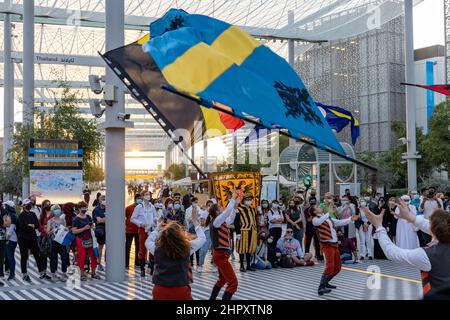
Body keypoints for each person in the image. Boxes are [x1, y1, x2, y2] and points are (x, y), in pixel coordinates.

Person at [362, 201, 450, 300]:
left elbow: (392, 253)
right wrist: (410, 217)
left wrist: (378, 226)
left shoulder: (427, 255)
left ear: (433, 229)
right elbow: (432, 227)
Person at [145, 208, 206, 300]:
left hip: (160, 289)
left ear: (164, 234)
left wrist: (157, 228)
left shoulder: (157, 248)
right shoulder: (187, 247)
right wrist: (195, 221)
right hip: (180, 289)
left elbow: (147, 241)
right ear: (180, 235)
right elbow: (202, 238)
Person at [311, 205, 358, 295]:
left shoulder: (328, 218)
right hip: (327, 245)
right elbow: (319, 222)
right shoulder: (315, 219)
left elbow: (339, 222)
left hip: (335, 245)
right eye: (317, 207)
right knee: (330, 266)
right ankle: (321, 288)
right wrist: (329, 213)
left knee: (337, 267)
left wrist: (350, 219)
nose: (319, 207)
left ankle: (325, 283)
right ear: (314, 212)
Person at [206, 191, 240, 300]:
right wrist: (233, 198)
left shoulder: (221, 222)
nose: (222, 208)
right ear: (216, 212)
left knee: (222, 280)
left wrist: (235, 206)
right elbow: (227, 212)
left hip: (222, 255)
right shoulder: (216, 221)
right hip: (220, 255)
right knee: (233, 283)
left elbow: (230, 218)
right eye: (220, 207)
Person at [17, 199, 47, 283]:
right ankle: (24, 274)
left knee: (37, 254)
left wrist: (31, 225)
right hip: (23, 238)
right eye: (27, 204)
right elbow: (23, 227)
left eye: (30, 204)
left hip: (32, 237)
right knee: (24, 256)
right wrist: (31, 225)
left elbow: (37, 225)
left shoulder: (33, 214)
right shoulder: (21, 215)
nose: (29, 205)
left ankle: (41, 272)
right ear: (23, 206)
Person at [71, 201, 100, 281]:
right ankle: (82, 274)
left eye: (85, 207)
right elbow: (74, 231)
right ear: (79, 208)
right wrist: (84, 228)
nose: (85, 209)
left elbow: (92, 225)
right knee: (82, 257)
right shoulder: (76, 219)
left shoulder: (88, 217)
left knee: (94, 256)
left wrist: (92, 227)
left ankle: (93, 273)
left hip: (90, 239)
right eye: (83, 207)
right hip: (80, 240)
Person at [131, 191, 157, 277]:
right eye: (146, 195)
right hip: (143, 229)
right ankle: (142, 268)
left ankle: (152, 268)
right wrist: (140, 223)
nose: (148, 196)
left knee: (152, 247)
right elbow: (132, 218)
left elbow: (155, 216)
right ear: (142, 196)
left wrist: (156, 220)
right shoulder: (139, 207)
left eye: (149, 194)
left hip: (152, 229)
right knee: (142, 249)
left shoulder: (152, 206)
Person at [234, 193, 258, 272]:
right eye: (247, 200)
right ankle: (241, 266)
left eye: (250, 200)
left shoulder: (252, 209)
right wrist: (237, 233)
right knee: (242, 248)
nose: (249, 201)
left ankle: (248, 265)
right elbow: (236, 222)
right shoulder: (239, 209)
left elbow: (255, 220)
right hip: (243, 231)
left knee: (249, 249)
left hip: (252, 230)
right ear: (243, 201)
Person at [47, 205, 69, 281]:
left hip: (62, 242)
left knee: (64, 257)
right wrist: (53, 230)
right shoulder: (50, 221)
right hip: (53, 242)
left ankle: (64, 272)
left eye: (58, 209)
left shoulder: (63, 220)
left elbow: (65, 230)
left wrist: (66, 229)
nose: (57, 211)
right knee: (53, 258)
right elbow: (47, 233)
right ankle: (53, 273)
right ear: (53, 211)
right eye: (56, 209)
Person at [303, 198, 323, 262]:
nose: (313, 202)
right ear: (309, 202)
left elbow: (320, 218)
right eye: (311, 201)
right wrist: (312, 215)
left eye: (314, 201)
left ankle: (318, 256)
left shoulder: (318, 210)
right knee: (308, 243)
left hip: (316, 228)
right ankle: (306, 256)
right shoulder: (306, 210)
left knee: (317, 243)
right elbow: (308, 220)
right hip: (309, 229)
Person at [125, 194, 141, 269]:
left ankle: (137, 262)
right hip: (129, 231)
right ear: (135, 199)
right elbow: (124, 217)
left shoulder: (142, 208)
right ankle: (126, 263)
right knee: (127, 247)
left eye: (140, 198)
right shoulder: (129, 208)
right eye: (138, 198)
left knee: (138, 247)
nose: (139, 200)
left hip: (138, 231)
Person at [38, 199, 53, 279]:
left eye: (49, 204)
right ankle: (44, 272)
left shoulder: (53, 215)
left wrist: (50, 230)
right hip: (43, 237)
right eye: (46, 204)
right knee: (43, 255)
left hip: (51, 237)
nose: (48, 205)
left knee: (51, 255)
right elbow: (39, 226)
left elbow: (56, 224)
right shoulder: (42, 216)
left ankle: (53, 272)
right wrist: (44, 230)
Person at [197, 200, 214, 273]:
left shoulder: (215, 214)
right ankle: (200, 265)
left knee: (214, 250)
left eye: (212, 205)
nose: (210, 207)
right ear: (206, 206)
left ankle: (214, 265)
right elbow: (202, 223)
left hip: (215, 232)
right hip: (207, 232)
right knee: (204, 249)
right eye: (209, 205)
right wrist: (209, 220)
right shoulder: (204, 213)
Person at [185, 197, 201, 270]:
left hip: (197, 229)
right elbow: (187, 218)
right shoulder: (188, 209)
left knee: (198, 246)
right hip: (190, 229)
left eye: (197, 202)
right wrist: (193, 218)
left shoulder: (199, 208)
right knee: (191, 245)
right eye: (195, 202)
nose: (196, 203)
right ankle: (191, 262)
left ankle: (198, 263)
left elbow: (200, 217)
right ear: (192, 202)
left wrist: (196, 218)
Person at [3, 201, 18, 281]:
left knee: (10, 257)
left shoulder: (12, 217)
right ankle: (9, 272)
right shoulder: (11, 215)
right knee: (9, 257)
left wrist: (6, 239)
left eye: (5, 206)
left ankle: (12, 274)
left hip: (11, 240)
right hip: (12, 240)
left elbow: (9, 231)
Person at [92, 195, 106, 271]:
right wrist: (106, 219)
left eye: (105, 198)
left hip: (109, 229)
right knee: (100, 247)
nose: (104, 200)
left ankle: (108, 262)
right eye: (102, 199)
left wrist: (103, 219)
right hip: (101, 229)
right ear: (99, 200)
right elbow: (99, 220)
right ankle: (99, 262)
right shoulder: (96, 210)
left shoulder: (109, 208)